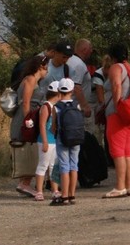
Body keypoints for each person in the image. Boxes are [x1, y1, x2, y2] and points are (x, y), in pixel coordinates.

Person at [103, 43, 130, 198]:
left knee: (117, 150)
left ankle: (120, 186)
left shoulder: (116, 68)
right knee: (128, 150)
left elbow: (115, 86)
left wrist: (117, 105)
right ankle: (129, 185)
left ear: (112, 56)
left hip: (118, 114)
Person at [10, 55, 50, 197]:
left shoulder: (35, 81)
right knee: (29, 150)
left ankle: (25, 182)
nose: (47, 71)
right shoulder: (31, 79)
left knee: (31, 149)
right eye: (46, 67)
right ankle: (25, 183)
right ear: (41, 67)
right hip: (26, 118)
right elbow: (26, 102)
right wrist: (29, 120)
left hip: (31, 116)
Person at [53, 78, 82, 206]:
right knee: (74, 165)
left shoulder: (56, 107)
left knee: (64, 166)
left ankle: (64, 196)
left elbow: (53, 126)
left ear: (59, 90)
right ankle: (72, 194)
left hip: (62, 138)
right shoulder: (77, 105)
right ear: (72, 91)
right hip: (76, 138)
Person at [34, 81, 61, 202]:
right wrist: (45, 141)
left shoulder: (53, 107)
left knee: (52, 166)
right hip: (46, 140)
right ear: (58, 94)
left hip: (53, 140)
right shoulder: (46, 106)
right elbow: (42, 125)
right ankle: (39, 191)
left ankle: (55, 190)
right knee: (43, 165)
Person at [67, 39, 94, 127]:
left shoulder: (70, 60)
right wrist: (85, 106)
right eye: (90, 49)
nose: (91, 51)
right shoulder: (79, 64)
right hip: (74, 108)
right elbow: (76, 87)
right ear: (84, 50)